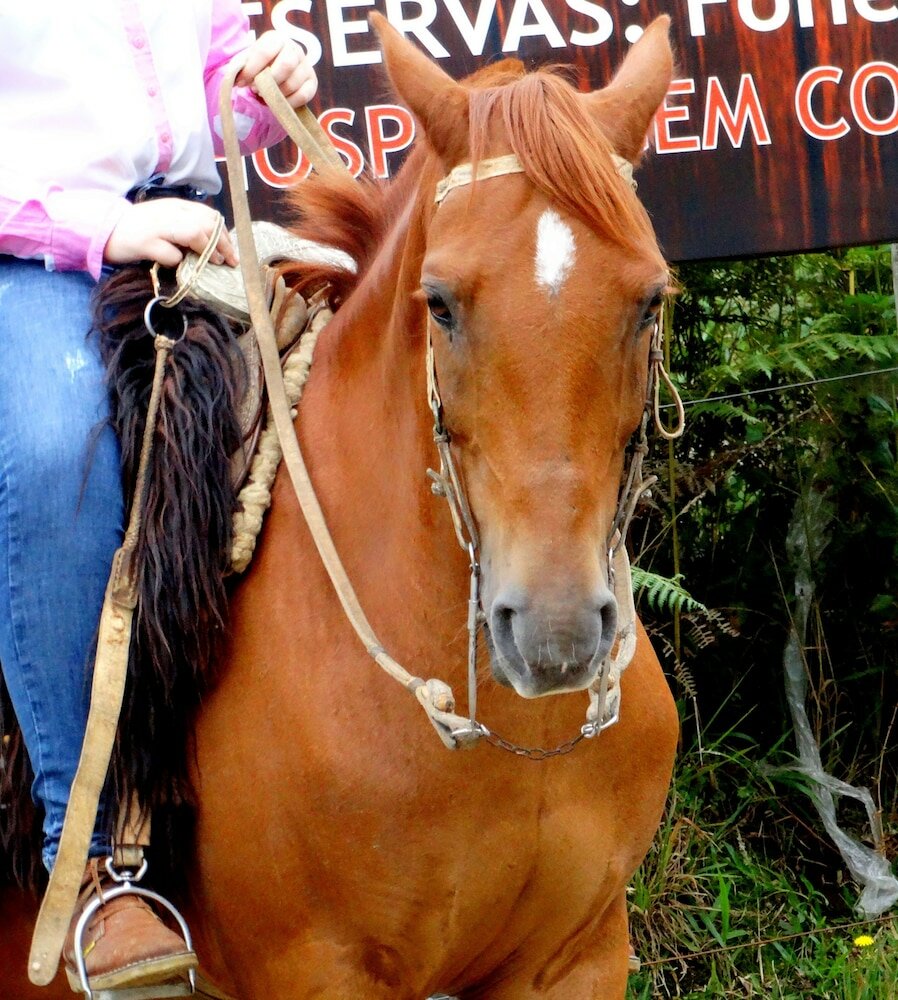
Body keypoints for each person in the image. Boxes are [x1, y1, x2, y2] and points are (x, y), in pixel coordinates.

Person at [0, 2, 317, 993]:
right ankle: (89, 857)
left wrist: (267, 78)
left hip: (198, 229)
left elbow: (211, 62)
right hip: (38, 248)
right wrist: (109, 227)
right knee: (59, 456)